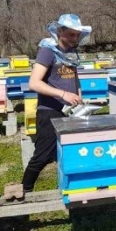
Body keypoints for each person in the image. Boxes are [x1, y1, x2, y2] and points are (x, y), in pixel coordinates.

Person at [6, 14, 92, 199]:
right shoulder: (47, 51)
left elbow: (74, 80)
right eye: (70, 34)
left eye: (77, 35)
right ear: (59, 31)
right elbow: (34, 83)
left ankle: (72, 190)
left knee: (70, 152)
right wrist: (62, 94)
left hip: (70, 112)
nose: (74, 38)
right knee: (43, 156)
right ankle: (24, 192)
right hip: (50, 112)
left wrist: (79, 97)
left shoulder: (71, 53)